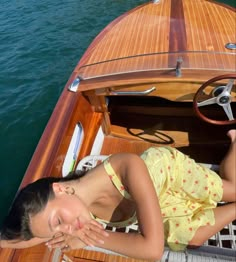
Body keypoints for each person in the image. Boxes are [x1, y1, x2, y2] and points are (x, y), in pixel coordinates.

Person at [0, 130, 235, 260]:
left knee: (232, 188)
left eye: (59, 222)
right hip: (161, 204)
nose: (68, 231)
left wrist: (85, 240)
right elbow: (28, 238)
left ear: (60, 188)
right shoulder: (71, 214)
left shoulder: (125, 166)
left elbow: (152, 250)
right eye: (58, 231)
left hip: (172, 176)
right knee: (190, 240)